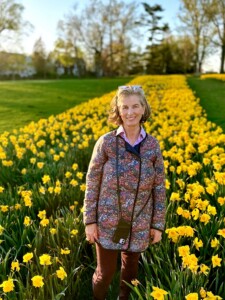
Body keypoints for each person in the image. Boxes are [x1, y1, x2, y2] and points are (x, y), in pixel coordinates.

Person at [83, 85, 166, 300]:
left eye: (135, 106)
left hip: (139, 222)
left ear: (143, 108)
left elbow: (159, 187)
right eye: (125, 107)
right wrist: (90, 221)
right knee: (105, 274)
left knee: (130, 275)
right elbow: (92, 182)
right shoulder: (106, 142)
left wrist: (157, 225)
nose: (130, 112)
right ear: (118, 111)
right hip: (107, 221)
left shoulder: (152, 145)